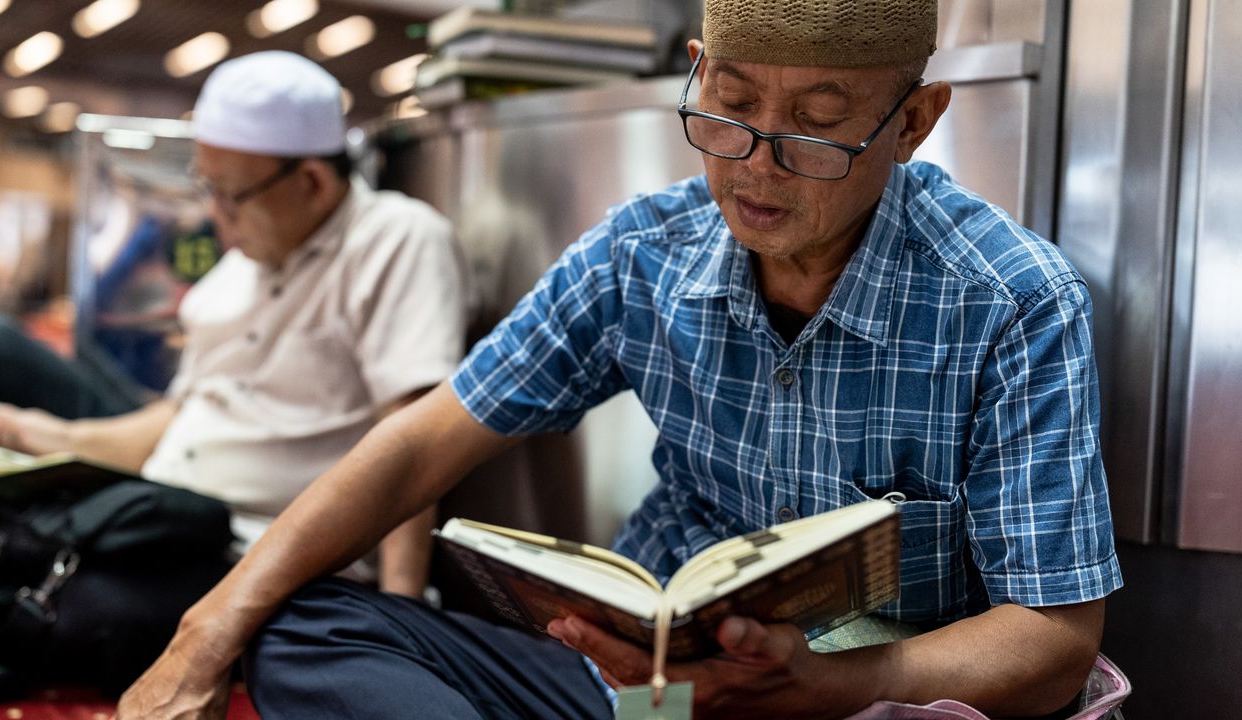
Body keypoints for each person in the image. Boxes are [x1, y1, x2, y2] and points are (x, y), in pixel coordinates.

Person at [117, 2, 1123, 718]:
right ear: (695, 69)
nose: (752, 167)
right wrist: (204, 633)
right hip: (634, 686)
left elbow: (1051, 640)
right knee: (303, 624)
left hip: (862, 698)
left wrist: (830, 688)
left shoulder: (1009, 301)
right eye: (725, 108)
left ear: (912, 121)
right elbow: (419, 444)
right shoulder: (642, 253)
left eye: (814, 131)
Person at [0, 51, 465, 689]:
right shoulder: (246, 258)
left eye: (231, 196)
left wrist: (401, 615)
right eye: (209, 189)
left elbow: (416, 438)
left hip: (246, 545)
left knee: (84, 617)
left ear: (311, 181)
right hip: (166, 489)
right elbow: (178, 423)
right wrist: (45, 439)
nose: (216, 218)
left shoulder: (397, 240)